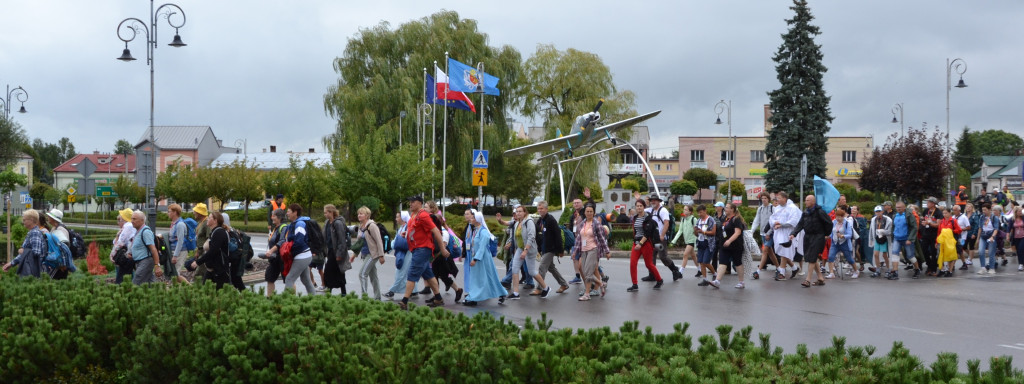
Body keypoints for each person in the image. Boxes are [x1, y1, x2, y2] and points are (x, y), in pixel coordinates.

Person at [397, 196, 450, 310]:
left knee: (412, 274)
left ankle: (404, 301)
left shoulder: (423, 215)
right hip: (417, 248)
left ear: (420, 203)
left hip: (422, 249)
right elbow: (415, 230)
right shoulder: (413, 215)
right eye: (410, 202)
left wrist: (442, 248)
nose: (410, 204)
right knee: (428, 274)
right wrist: (406, 233)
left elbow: (436, 231)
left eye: (413, 202)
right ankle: (438, 298)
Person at [462, 209, 508, 306]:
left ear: (478, 219)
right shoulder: (476, 230)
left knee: (486, 278)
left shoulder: (484, 232)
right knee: (479, 279)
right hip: (477, 258)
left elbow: (482, 248)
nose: (471, 218)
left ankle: (475, 298)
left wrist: (475, 259)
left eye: (473, 217)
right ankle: (474, 296)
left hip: (482, 259)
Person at [504, 205, 549, 299]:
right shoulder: (517, 223)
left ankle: (546, 288)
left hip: (530, 249)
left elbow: (531, 237)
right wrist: (516, 247)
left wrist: (525, 251)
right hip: (520, 249)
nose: (518, 213)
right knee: (514, 269)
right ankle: (516, 293)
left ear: (525, 212)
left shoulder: (529, 222)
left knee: (531, 271)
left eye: (520, 211)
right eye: (517, 211)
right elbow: (516, 237)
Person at [790, 195, 831, 288]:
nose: (806, 202)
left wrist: (826, 234)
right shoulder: (805, 212)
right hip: (808, 237)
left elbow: (829, 223)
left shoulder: (820, 211)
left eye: (808, 200)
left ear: (813, 202)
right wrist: (793, 233)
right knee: (811, 257)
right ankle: (820, 277)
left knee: (812, 257)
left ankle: (807, 280)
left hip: (818, 236)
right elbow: (800, 224)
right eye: (805, 200)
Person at [572, 203, 609, 301]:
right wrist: (575, 251)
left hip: (593, 249)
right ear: (584, 212)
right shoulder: (583, 223)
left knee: (588, 273)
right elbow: (578, 239)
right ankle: (601, 284)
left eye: (591, 211)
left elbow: (601, 238)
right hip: (583, 250)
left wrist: (607, 251)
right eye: (587, 211)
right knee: (585, 272)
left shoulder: (596, 223)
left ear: (594, 213)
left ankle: (587, 294)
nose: (589, 213)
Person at [348, 206, 384, 299]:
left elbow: (379, 241)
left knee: (362, 274)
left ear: (367, 215)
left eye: (361, 213)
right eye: (358, 213)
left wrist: (381, 255)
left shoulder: (372, 226)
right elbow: (360, 243)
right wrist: (354, 255)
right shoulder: (361, 226)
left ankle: (364, 298)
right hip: (364, 254)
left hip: (372, 254)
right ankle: (378, 298)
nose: (359, 215)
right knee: (373, 277)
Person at [627, 199, 663, 292]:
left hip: (646, 244)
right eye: (637, 206)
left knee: (649, 265)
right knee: (632, 263)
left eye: (640, 206)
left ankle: (659, 280)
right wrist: (636, 242)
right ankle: (635, 284)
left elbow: (647, 234)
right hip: (636, 243)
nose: (639, 207)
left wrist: (641, 243)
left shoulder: (648, 219)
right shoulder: (635, 218)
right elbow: (635, 231)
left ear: (644, 207)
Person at [644, 194, 682, 281]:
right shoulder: (651, 210)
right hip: (653, 239)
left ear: (659, 201)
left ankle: (675, 270)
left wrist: (662, 235)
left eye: (655, 200)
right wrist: (639, 200)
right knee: (651, 256)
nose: (653, 202)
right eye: (652, 200)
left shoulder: (663, 210)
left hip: (660, 239)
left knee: (663, 256)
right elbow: (640, 210)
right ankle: (652, 275)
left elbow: (666, 223)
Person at [710, 203, 748, 289]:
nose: (725, 209)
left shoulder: (736, 219)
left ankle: (741, 282)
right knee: (722, 262)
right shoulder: (725, 218)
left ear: (732, 210)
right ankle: (717, 281)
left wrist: (729, 240)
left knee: (737, 263)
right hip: (724, 246)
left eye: (727, 208)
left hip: (735, 246)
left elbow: (737, 232)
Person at [536, 201, 570, 294]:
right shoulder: (539, 221)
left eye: (542, 208)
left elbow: (557, 235)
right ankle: (564, 284)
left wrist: (560, 250)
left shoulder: (551, 220)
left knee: (542, 267)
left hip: (550, 249)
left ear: (546, 209)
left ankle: (539, 288)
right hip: (543, 249)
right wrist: (538, 249)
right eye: (538, 209)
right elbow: (539, 236)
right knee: (551, 268)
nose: (540, 210)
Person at [190, 211, 231, 289]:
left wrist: (198, 262)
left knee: (219, 293)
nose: (207, 219)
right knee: (206, 292)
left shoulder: (219, 232)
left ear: (215, 221)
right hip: (211, 269)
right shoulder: (214, 232)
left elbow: (213, 251)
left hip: (219, 270)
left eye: (209, 218)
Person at [283, 204, 317, 294]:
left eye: (289, 211)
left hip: (302, 256)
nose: (287, 213)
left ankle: (286, 302)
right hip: (303, 255)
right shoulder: (295, 223)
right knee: (306, 280)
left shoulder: (299, 224)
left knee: (289, 278)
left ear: (295, 212)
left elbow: (299, 241)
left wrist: (290, 252)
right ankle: (314, 300)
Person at [385, 211, 420, 298]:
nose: (396, 219)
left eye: (397, 217)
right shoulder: (402, 227)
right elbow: (396, 240)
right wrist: (389, 249)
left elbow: (398, 240)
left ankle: (392, 291)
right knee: (408, 273)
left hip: (408, 252)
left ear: (403, 218)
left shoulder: (407, 227)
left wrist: (389, 248)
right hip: (407, 252)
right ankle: (414, 291)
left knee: (400, 272)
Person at [429, 213, 463, 301]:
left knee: (443, 276)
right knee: (435, 276)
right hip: (437, 258)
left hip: (443, 258)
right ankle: (436, 295)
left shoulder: (443, 232)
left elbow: (443, 246)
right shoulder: (435, 230)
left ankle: (458, 290)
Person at [3, 210, 45, 277]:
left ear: (31, 220)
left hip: (32, 271)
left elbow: (36, 252)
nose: (23, 222)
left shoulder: (35, 233)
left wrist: (24, 251)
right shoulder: (32, 232)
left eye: (24, 220)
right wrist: (11, 263)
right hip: (31, 269)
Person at [770, 192, 801, 280]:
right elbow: (772, 218)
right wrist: (774, 223)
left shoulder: (792, 208)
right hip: (778, 232)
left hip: (788, 233)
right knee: (782, 251)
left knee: (784, 250)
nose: (777, 200)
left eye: (779, 198)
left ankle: (782, 273)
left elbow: (794, 221)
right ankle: (794, 268)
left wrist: (782, 225)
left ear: (784, 198)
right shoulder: (777, 208)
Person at [128, 210, 163, 285]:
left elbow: (153, 250)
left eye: (134, 219)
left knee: (136, 283)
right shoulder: (138, 231)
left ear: (142, 220)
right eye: (132, 219)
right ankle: (161, 295)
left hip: (145, 261)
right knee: (150, 284)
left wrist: (157, 266)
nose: (132, 221)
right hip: (140, 262)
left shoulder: (146, 232)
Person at [321, 204, 350, 295]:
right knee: (337, 272)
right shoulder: (327, 223)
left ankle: (332, 291)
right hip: (330, 250)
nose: (325, 214)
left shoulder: (338, 223)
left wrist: (339, 254)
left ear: (331, 212)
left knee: (330, 272)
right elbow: (324, 236)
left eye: (326, 212)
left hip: (336, 251)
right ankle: (341, 292)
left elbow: (342, 239)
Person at [751, 192, 779, 279]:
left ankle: (758, 271)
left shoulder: (772, 208)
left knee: (765, 251)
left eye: (765, 198)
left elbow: (774, 222)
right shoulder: (760, 209)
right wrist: (751, 231)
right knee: (770, 252)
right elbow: (756, 220)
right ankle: (779, 268)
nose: (763, 200)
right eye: (762, 198)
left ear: (768, 199)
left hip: (770, 233)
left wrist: (768, 233)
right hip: (762, 233)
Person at [262, 209, 289, 296]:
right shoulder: (275, 228)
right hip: (274, 259)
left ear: (280, 218)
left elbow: (282, 241)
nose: (272, 217)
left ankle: (291, 300)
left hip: (282, 259)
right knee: (269, 277)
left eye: (274, 216)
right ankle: (270, 299)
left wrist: (270, 251)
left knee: (288, 280)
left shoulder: (283, 227)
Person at [891, 201, 920, 279]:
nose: (898, 209)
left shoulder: (909, 215)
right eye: (897, 208)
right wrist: (892, 237)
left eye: (900, 208)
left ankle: (917, 269)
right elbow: (893, 227)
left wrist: (910, 239)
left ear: (904, 208)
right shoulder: (895, 216)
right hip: (897, 238)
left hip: (906, 238)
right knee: (894, 254)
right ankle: (895, 273)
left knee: (910, 256)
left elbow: (914, 227)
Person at [826, 207, 858, 279]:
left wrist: (842, 236)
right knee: (830, 257)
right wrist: (828, 236)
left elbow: (850, 235)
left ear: (843, 217)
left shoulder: (847, 223)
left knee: (849, 258)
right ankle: (831, 273)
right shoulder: (834, 222)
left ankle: (856, 271)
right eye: (837, 216)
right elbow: (832, 233)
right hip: (835, 242)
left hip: (844, 243)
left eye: (839, 217)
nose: (838, 218)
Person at [164, 204, 190, 285]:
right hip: (175, 250)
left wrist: (175, 255)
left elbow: (180, 241)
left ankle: (189, 288)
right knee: (174, 274)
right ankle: (183, 288)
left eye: (169, 212)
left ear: (175, 212)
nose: (168, 213)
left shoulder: (180, 224)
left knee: (175, 273)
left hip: (180, 251)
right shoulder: (174, 223)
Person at [42, 209, 71, 280]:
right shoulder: (54, 228)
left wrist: (62, 264)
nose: (48, 217)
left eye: (49, 216)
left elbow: (63, 248)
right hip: (56, 263)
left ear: (53, 219)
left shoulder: (61, 230)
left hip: (60, 265)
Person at [221, 213, 247, 291]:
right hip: (238, 258)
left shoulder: (226, 231)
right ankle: (245, 296)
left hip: (232, 260)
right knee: (236, 280)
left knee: (235, 280)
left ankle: (246, 296)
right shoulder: (234, 230)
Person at [670, 204, 698, 276]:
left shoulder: (693, 219)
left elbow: (697, 230)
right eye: (684, 209)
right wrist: (674, 241)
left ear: (690, 212)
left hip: (692, 240)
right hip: (687, 240)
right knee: (693, 256)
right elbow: (680, 231)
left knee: (685, 255)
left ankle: (680, 272)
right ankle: (700, 269)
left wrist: (697, 240)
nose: (684, 211)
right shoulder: (683, 219)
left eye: (686, 210)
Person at [110, 208, 137, 284]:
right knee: (129, 275)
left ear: (125, 219)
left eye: (120, 220)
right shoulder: (130, 226)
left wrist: (112, 255)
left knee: (121, 278)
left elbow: (119, 243)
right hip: (130, 254)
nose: (118, 222)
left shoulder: (128, 226)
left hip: (125, 256)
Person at [693, 204, 717, 286]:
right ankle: (705, 279)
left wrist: (703, 232)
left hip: (708, 243)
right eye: (698, 213)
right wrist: (696, 231)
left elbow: (713, 232)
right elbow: (696, 234)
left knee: (706, 262)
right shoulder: (698, 220)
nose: (700, 214)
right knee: (701, 262)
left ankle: (714, 273)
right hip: (700, 242)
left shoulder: (711, 220)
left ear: (705, 211)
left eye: (701, 212)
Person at [868, 206, 894, 279]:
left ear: (882, 211)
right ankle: (878, 269)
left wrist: (882, 231)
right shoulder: (874, 219)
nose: (878, 213)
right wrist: (871, 239)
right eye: (876, 212)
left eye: (879, 211)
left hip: (884, 238)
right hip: (877, 238)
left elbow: (889, 231)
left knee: (885, 255)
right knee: (876, 254)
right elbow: (871, 230)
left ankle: (888, 269)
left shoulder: (887, 219)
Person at [919, 197, 942, 276]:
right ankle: (929, 265)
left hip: (934, 235)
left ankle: (933, 269)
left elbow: (938, 225)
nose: (927, 204)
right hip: (925, 234)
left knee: (933, 252)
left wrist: (930, 223)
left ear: (933, 203)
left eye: (928, 202)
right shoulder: (926, 211)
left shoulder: (938, 212)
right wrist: (923, 223)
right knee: (924, 250)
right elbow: (923, 220)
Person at [936, 207, 962, 277]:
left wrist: (950, 231)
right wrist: (937, 241)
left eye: (946, 213)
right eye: (943, 213)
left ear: (950, 213)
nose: (944, 215)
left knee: (951, 256)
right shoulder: (942, 221)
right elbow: (939, 232)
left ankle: (949, 271)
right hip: (943, 241)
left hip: (951, 241)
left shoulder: (953, 221)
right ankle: (942, 269)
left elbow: (959, 230)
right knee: (940, 255)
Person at [976, 205, 1000, 275]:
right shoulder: (982, 217)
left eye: (985, 210)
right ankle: (983, 268)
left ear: (990, 210)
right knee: (980, 251)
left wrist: (992, 236)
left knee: (991, 253)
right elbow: (980, 228)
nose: (984, 211)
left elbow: (996, 229)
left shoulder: (994, 218)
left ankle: (992, 268)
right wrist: (978, 238)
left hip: (991, 235)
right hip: (983, 236)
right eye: (983, 210)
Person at [192, 203, 210, 283]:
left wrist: (203, 253)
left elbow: (209, 238)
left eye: (195, 211)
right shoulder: (201, 223)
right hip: (201, 251)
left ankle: (196, 291)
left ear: (200, 213)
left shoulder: (206, 223)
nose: (194, 213)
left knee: (199, 274)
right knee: (203, 274)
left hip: (205, 252)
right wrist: (198, 251)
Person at [1010, 206, 1024, 272]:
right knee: (1018, 251)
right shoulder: (1012, 219)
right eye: (1019, 211)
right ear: (1016, 212)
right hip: (1016, 237)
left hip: (1023, 236)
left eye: (1021, 211)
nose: (1021, 212)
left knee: (1021, 249)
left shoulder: (1023, 218)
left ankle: (1021, 264)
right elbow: (1009, 228)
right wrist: (1007, 234)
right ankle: (1021, 263)